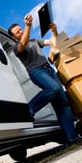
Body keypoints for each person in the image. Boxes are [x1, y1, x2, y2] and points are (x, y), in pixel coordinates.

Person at [8, 13, 81, 144]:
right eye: (17, 32)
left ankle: (72, 138)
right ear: (13, 37)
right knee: (54, 87)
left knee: (63, 104)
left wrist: (54, 31)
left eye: (21, 29)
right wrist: (28, 26)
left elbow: (52, 43)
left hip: (49, 70)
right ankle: (29, 110)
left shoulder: (34, 41)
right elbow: (23, 42)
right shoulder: (17, 47)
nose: (21, 31)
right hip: (37, 71)